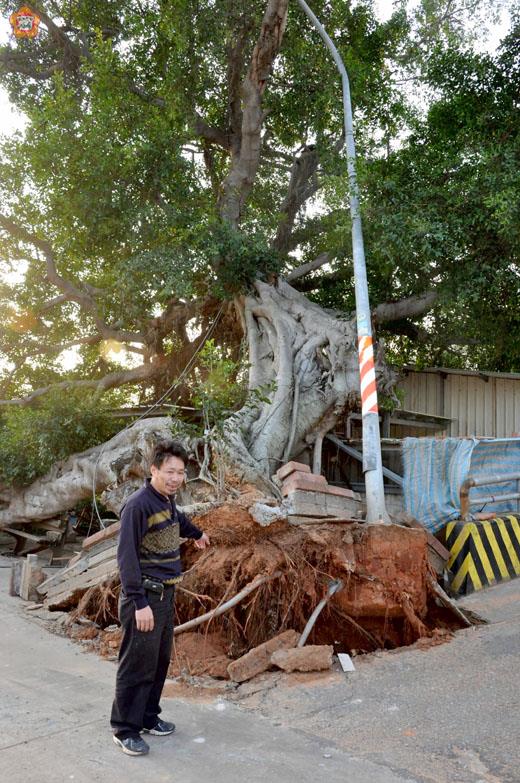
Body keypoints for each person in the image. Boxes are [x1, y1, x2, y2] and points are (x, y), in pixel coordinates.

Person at [110, 440, 210, 756]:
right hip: (145, 597)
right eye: (170, 471)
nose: (176, 478)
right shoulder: (138, 506)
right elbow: (126, 558)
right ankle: (125, 729)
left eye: (180, 472)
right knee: (136, 664)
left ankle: (148, 718)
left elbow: (179, 520)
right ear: (154, 470)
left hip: (166, 594)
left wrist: (197, 534)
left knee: (158, 661)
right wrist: (138, 602)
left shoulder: (165, 501)